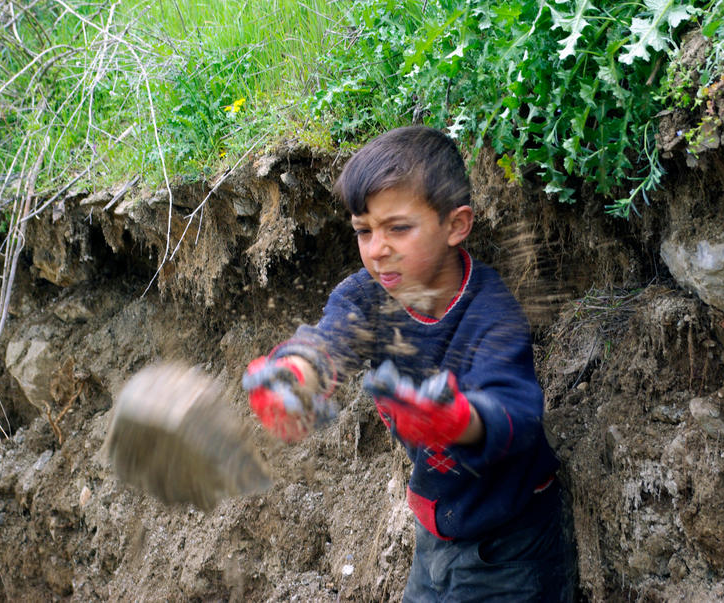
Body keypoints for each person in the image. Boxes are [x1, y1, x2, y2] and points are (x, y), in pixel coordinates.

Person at [242, 126, 571, 601]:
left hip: (510, 547)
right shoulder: (368, 298)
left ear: (456, 225)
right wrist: (294, 375)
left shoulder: (490, 314)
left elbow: (514, 409)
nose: (377, 249)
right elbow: (329, 341)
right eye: (363, 231)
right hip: (434, 532)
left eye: (398, 228)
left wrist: (457, 420)